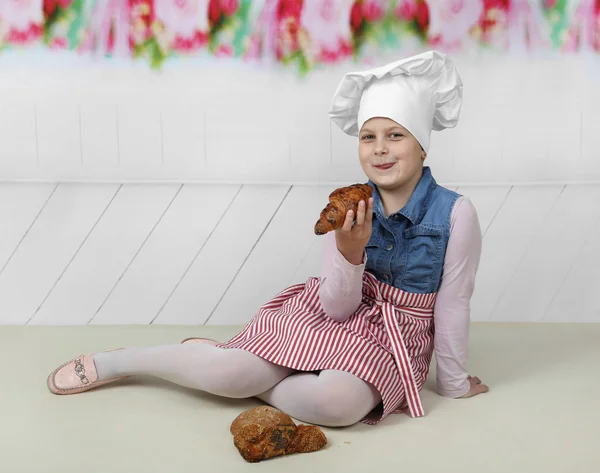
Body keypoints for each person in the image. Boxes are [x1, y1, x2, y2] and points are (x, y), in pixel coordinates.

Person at [47, 50, 489, 427]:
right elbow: (338, 308)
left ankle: (241, 376)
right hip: (330, 316)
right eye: (368, 136)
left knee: (338, 404)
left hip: (394, 339)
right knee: (231, 374)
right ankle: (122, 361)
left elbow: (453, 304)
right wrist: (349, 254)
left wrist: (451, 383)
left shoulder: (454, 213)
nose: (379, 149)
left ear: (422, 144)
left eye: (396, 135)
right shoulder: (343, 208)